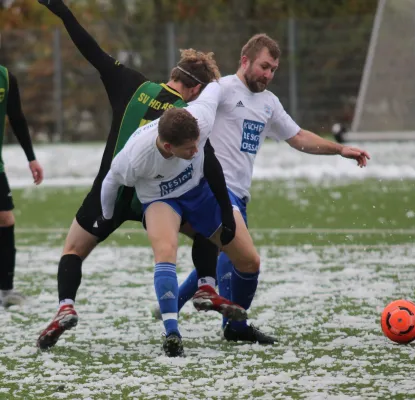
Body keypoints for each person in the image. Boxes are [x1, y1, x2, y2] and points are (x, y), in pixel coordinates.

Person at [36, 0, 244, 351]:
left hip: (112, 192)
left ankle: (65, 306)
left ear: (175, 74)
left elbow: (91, 50)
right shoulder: (190, 116)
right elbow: (208, 164)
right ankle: (206, 284)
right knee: (205, 232)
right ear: (196, 90)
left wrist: (63, 12)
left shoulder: (130, 83)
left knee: (73, 248)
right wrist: (224, 210)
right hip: (160, 199)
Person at [175, 33, 371, 343]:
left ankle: (178, 303)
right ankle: (233, 326)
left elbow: (298, 137)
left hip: (238, 194)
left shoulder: (268, 103)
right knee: (245, 260)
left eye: (273, 69)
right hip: (213, 190)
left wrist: (340, 150)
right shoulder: (222, 90)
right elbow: (192, 118)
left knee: (225, 255)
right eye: (264, 66)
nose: (268, 74)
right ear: (245, 61)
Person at [100, 83, 265, 356]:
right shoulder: (134, 157)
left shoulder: (201, 116)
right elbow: (110, 183)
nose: (194, 151)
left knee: (249, 260)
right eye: (188, 149)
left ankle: (219, 306)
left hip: (199, 190)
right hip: (160, 199)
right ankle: (172, 331)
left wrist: (226, 210)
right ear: (167, 146)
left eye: (197, 144)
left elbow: (215, 89)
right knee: (166, 251)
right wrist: (106, 217)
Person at [0, 65, 44, 308]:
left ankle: (6, 291)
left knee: (5, 219)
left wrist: (31, 157)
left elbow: (16, 117)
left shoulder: (6, 78)